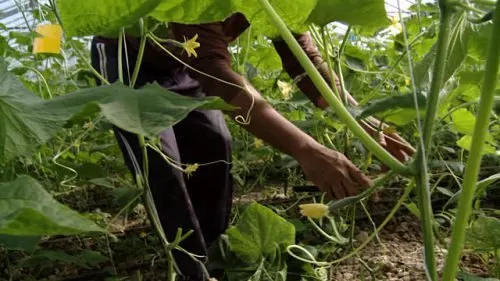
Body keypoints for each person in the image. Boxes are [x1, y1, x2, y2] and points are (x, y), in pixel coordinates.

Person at [90, 13, 414, 281]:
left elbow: (305, 63)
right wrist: (306, 149)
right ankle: (190, 271)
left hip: (186, 61)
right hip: (130, 59)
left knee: (215, 145)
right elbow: (219, 80)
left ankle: (216, 256)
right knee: (161, 163)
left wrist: (368, 124)